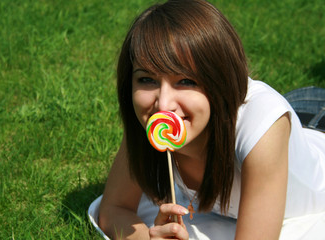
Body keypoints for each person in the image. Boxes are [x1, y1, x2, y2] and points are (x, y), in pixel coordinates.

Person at [95, 0, 325, 239]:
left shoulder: (264, 129)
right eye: (146, 79)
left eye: (185, 81)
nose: (163, 104)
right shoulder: (153, 123)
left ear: (218, 81)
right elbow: (113, 210)